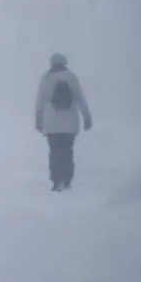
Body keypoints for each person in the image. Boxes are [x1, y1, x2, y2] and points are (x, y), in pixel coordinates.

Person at [35, 52, 92, 191]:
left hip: (52, 123)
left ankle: (56, 181)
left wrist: (39, 121)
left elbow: (40, 101)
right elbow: (80, 99)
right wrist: (87, 117)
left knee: (55, 152)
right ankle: (67, 180)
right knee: (67, 151)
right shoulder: (72, 78)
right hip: (69, 123)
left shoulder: (46, 78)